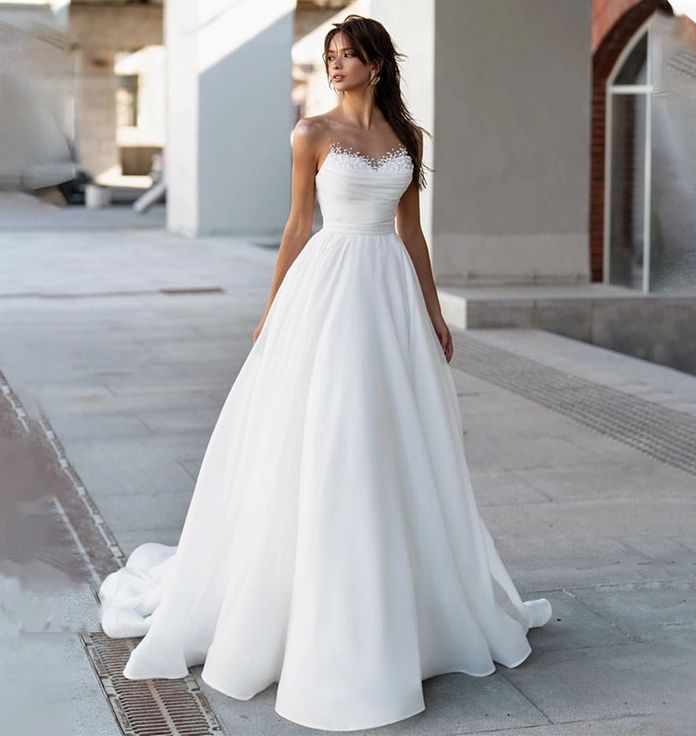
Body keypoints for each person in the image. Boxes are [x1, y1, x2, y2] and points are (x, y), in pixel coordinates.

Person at [98, 13, 552, 732]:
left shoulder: (409, 138)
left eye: (348, 56)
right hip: (329, 290)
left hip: (391, 300)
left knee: (395, 436)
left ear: (377, 64)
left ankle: (412, 601)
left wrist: (434, 313)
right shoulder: (309, 133)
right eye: (330, 55)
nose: (335, 65)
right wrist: (272, 308)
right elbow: (296, 225)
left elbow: (410, 231)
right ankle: (315, 595)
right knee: (331, 432)